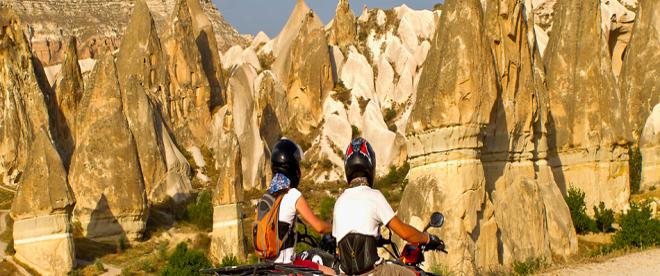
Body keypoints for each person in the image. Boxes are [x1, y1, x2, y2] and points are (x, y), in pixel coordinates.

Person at [332, 138, 443, 276]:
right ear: (371, 166)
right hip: (374, 272)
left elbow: (343, 242)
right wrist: (427, 238)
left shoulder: (339, 202)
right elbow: (405, 233)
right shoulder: (374, 196)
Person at [265, 138, 335, 274]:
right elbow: (319, 227)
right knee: (332, 273)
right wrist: (337, 228)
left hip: (268, 267)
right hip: (287, 266)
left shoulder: (267, 196)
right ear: (291, 167)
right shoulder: (292, 194)